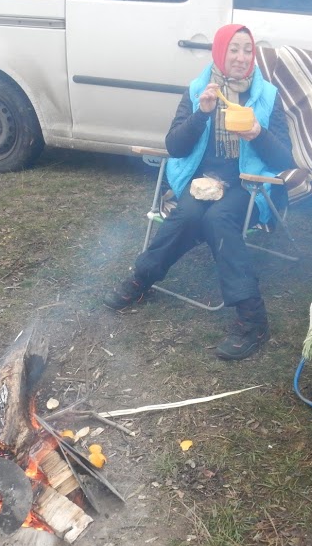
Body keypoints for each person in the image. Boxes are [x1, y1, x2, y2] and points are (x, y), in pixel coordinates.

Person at [103, 24, 293, 361]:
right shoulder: (197, 90)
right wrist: (201, 113)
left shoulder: (267, 96)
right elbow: (175, 146)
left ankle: (253, 320)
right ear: (219, 52)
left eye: (247, 50)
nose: (241, 57)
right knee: (188, 214)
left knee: (218, 220)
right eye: (234, 49)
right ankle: (141, 280)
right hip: (201, 183)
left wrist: (257, 134)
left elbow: (284, 158)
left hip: (248, 183)